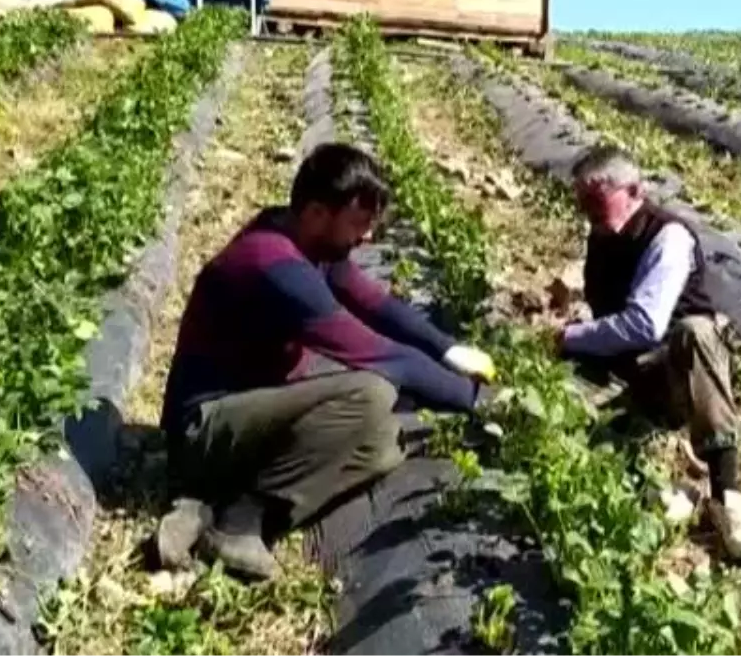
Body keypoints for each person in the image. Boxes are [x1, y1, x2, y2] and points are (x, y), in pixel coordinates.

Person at [154, 142, 498, 579]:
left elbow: (378, 306)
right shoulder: (274, 266)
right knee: (371, 394)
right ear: (317, 213)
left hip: (256, 407)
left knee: (383, 441)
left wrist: (448, 348)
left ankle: (242, 509)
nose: (366, 237)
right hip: (204, 428)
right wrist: (484, 402)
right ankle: (230, 511)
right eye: (359, 223)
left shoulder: (304, 239)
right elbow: (385, 355)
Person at [552, 144, 741, 560]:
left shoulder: (667, 237)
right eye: (581, 199)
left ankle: (729, 498)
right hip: (627, 374)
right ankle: (653, 484)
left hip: (677, 375)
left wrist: (572, 336)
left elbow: (644, 324)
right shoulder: (603, 235)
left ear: (633, 190)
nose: (586, 209)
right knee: (553, 406)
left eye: (595, 198)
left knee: (697, 332)